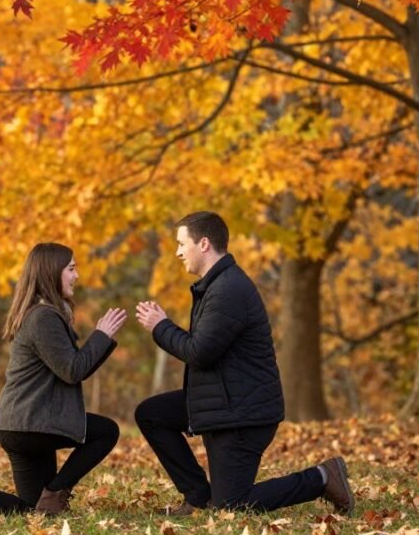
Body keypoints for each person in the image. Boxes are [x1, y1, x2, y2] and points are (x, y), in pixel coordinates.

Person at [134, 211, 354, 516]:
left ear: (204, 244)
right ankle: (198, 497)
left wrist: (161, 326)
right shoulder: (215, 285)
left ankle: (322, 477)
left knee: (232, 506)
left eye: (182, 244)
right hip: (222, 402)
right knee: (152, 414)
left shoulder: (228, 290)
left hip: (243, 415)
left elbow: (199, 352)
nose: (178, 252)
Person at [0, 243, 126, 516]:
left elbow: (75, 368)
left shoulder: (39, 314)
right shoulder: (43, 318)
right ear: (51, 272)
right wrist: (101, 334)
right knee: (106, 431)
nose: (76, 276)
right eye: (71, 269)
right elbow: (73, 370)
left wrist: (102, 339)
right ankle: (56, 493)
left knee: (32, 509)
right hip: (33, 423)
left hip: (19, 424)